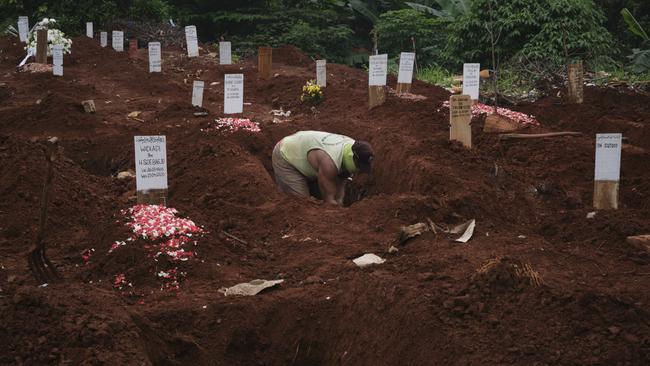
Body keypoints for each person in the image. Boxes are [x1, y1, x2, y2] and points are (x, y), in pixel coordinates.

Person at [272, 131, 374, 206]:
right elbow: (329, 200)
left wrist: (339, 203)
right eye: (358, 166)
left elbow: (341, 183)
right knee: (302, 204)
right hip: (286, 153)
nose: (359, 170)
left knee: (324, 195)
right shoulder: (329, 162)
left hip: (305, 150)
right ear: (352, 157)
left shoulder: (354, 147)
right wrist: (335, 206)